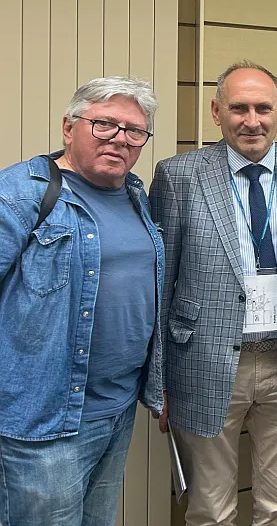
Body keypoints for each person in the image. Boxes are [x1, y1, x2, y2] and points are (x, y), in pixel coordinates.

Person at [151, 61, 277, 526]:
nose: (251, 120)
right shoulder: (179, 176)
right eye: (239, 108)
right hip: (202, 362)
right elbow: (159, 282)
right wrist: (157, 379)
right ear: (216, 111)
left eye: (263, 108)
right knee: (210, 509)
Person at [0, 76, 164, 526]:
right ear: (68, 127)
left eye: (135, 131)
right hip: (43, 421)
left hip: (117, 409)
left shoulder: (135, 195)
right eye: (104, 124)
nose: (120, 139)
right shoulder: (19, 194)